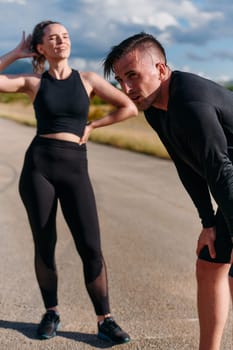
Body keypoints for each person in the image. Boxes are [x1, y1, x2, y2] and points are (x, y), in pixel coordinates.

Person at [0, 20, 138, 343]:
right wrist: (15, 54)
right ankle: (51, 312)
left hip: (75, 169)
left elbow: (129, 107)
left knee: (91, 246)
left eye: (65, 37)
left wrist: (93, 126)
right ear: (41, 48)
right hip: (39, 169)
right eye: (53, 38)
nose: (61, 42)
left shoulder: (87, 80)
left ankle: (105, 319)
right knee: (44, 244)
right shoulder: (34, 81)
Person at [103, 32, 233, 350]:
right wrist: (208, 223)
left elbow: (219, 170)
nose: (126, 88)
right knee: (209, 264)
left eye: (133, 76)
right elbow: (186, 165)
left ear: (161, 70)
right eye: (120, 79)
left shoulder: (190, 102)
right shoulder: (155, 108)